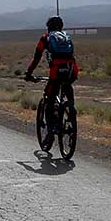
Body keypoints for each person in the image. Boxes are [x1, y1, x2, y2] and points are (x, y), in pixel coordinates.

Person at [24, 16, 79, 151]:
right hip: (72, 69)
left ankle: (50, 132)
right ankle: (71, 112)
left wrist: (29, 73)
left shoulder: (45, 38)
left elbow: (36, 58)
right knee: (67, 87)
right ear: (61, 26)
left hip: (56, 71)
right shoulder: (66, 37)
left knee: (49, 100)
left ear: (48, 27)